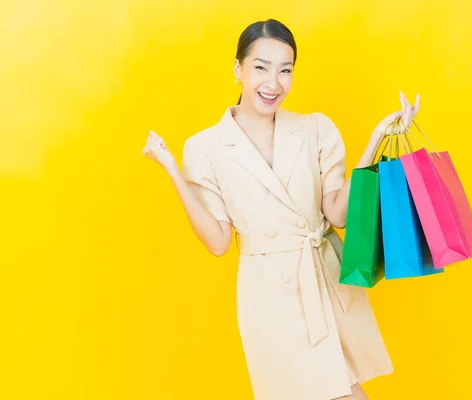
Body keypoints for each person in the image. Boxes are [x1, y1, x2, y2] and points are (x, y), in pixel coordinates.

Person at [142, 18, 420, 400]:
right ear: (238, 69)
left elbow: (337, 215)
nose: (273, 84)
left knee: (345, 391)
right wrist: (173, 171)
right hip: (268, 296)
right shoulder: (205, 147)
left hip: (322, 281)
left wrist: (375, 139)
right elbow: (219, 242)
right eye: (260, 68)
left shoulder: (314, 128)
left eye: (285, 70)